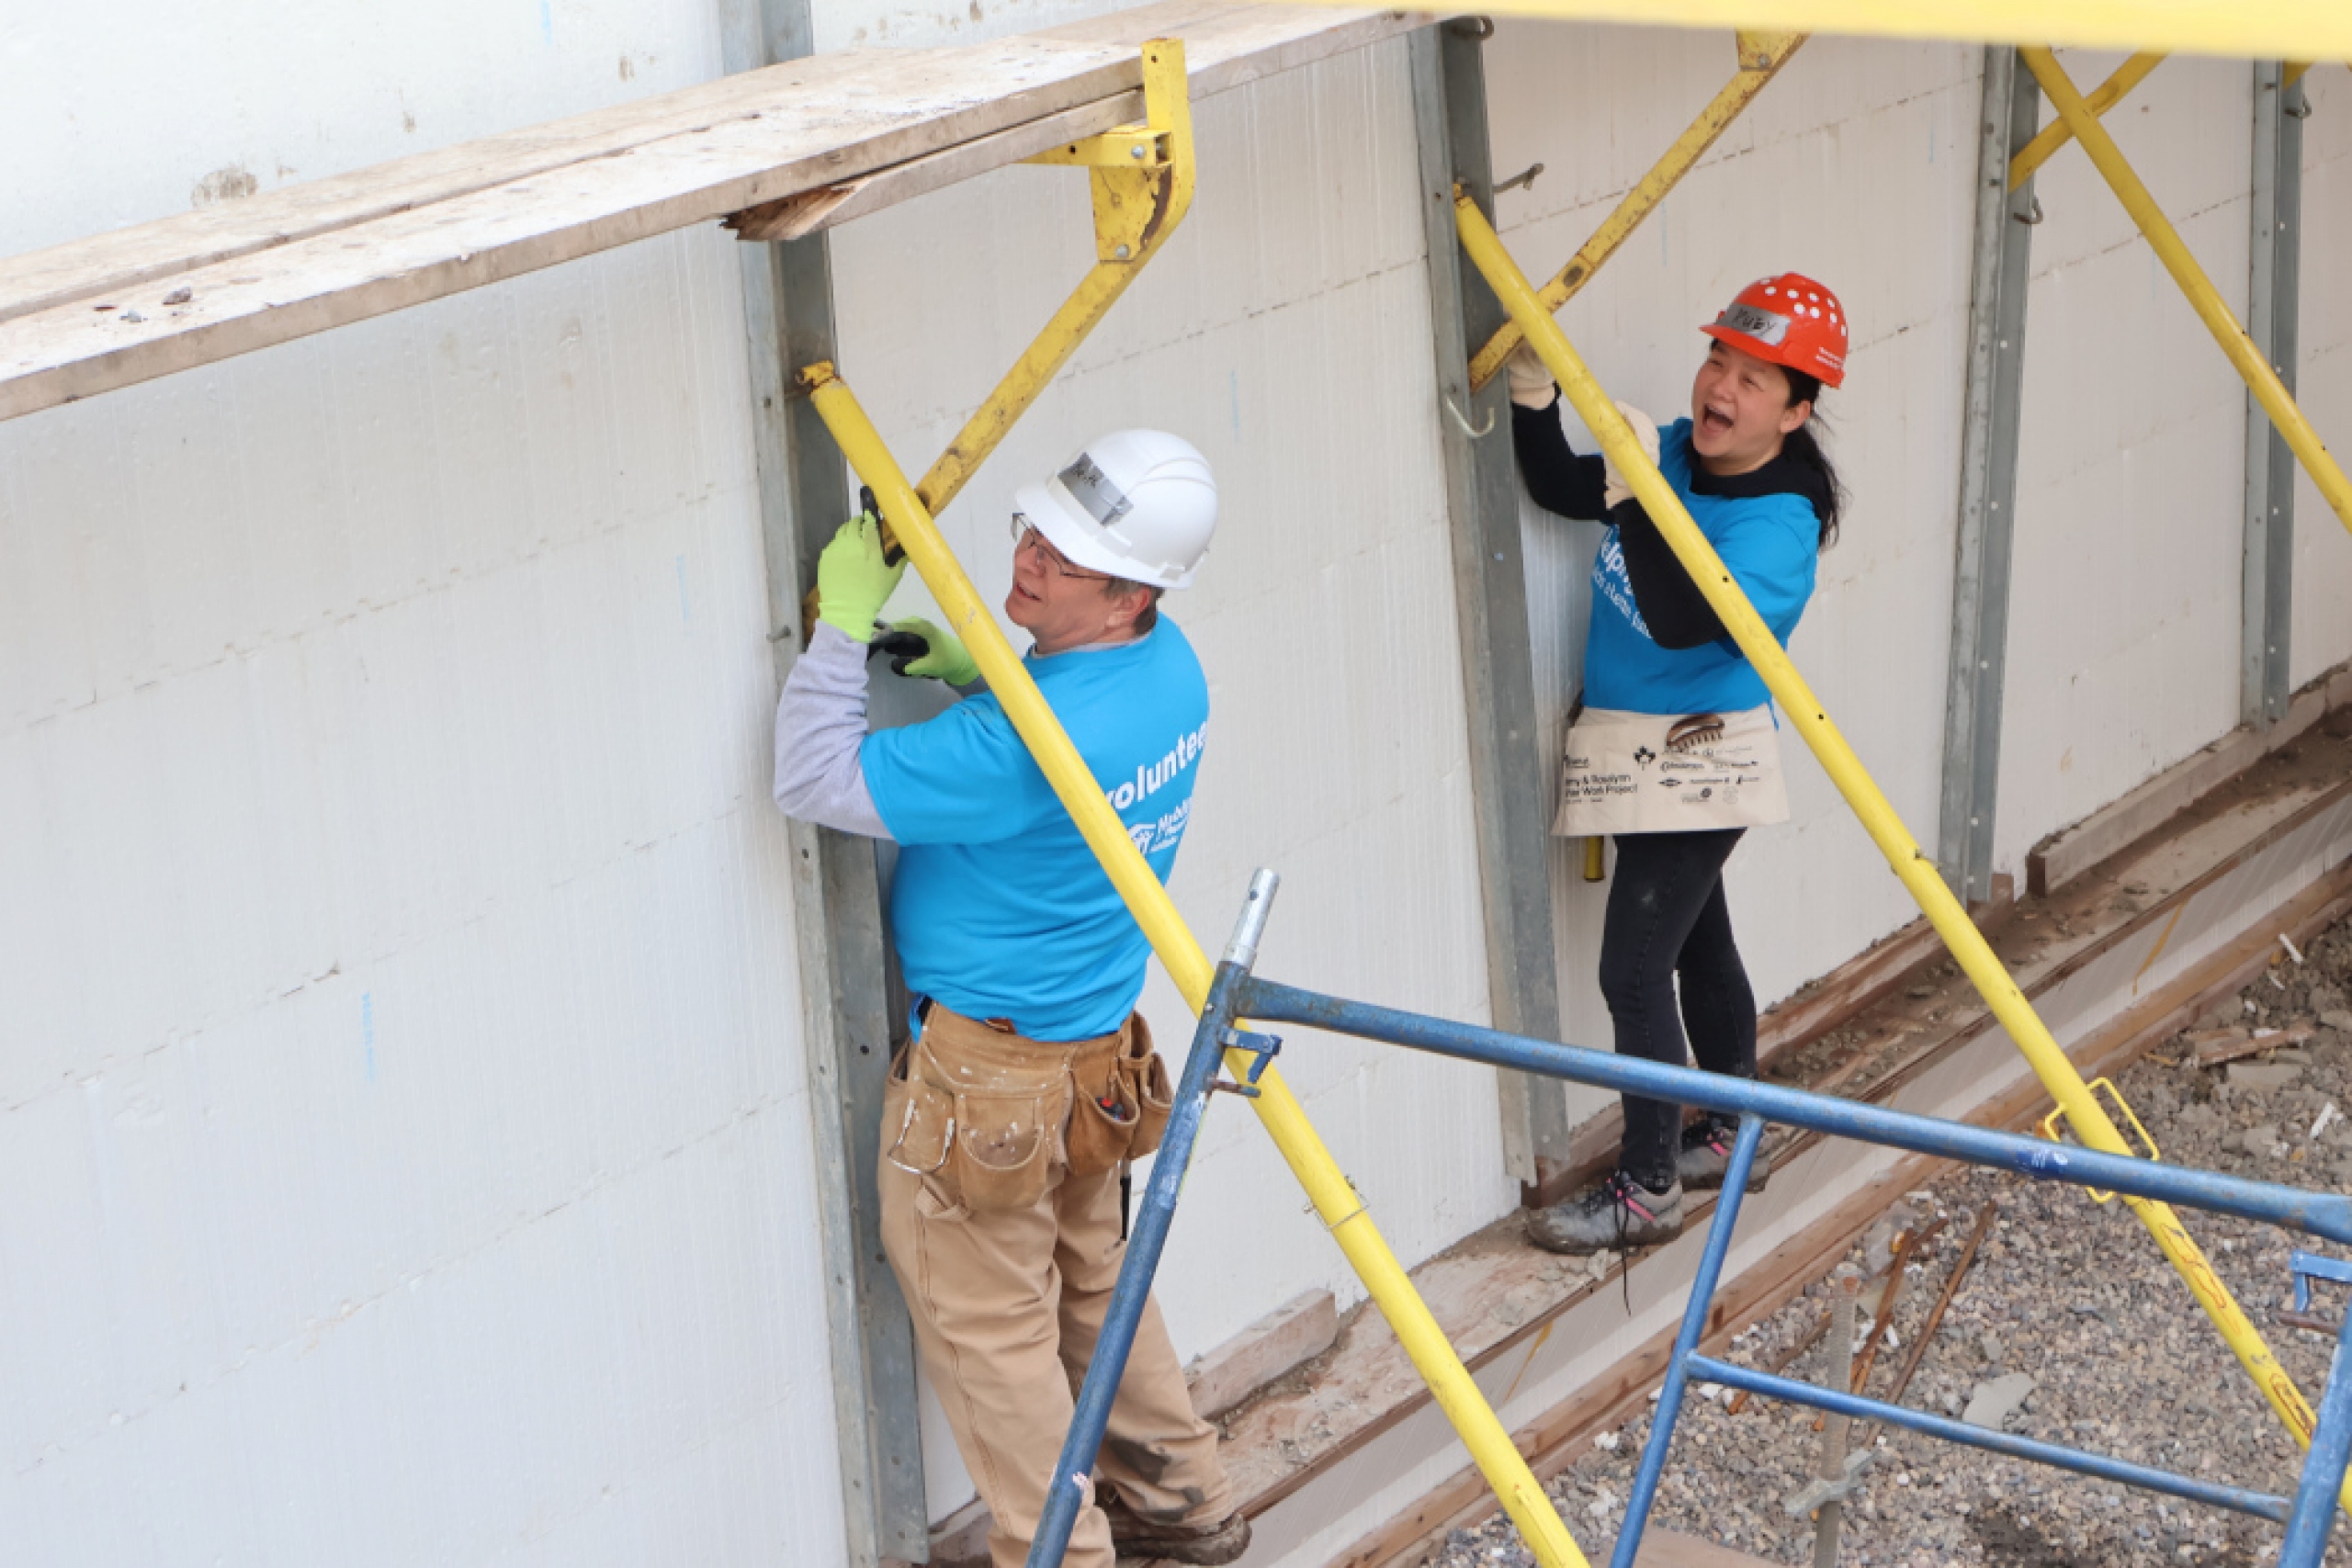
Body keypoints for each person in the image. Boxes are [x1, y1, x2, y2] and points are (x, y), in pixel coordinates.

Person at [770, 429, 1249, 1568]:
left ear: (1130, 590)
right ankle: (1183, 1496)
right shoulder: (1166, 665)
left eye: (1064, 555)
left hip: (985, 1075)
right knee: (1091, 1286)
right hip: (1089, 1050)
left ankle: (1060, 1555)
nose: (1027, 558)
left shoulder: (1024, 745)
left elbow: (809, 776)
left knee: (990, 1328)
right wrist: (986, 668)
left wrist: (844, 628)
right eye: (1033, 530)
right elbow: (1066, 727)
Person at [1506, 276, 1849, 1257]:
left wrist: (1638, 498)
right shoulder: (1675, 459)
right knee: (1699, 947)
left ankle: (1648, 1186)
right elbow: (1564, 489)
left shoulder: (1777, 526)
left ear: (1795, 411)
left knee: (1632, 967)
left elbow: (1683, 615)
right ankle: (1727, 1129)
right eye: (1717, 364)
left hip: (1703, 761)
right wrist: (1538, 403)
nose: (1721, 390)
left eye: (1753, 380)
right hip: (1632, 745)